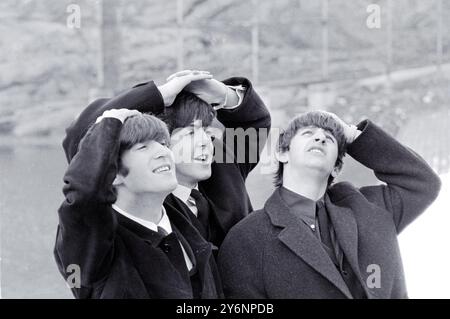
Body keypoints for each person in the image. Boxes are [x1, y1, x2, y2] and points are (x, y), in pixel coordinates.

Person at [218, 110, 441, 299]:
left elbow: (424, 183)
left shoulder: (371, 208)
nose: (320, 138)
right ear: (282, 153)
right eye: (308, 133)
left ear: (336, 168)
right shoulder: (246, 238)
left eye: (330, 138)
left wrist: (353, 135)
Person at [63, 70, 271, 248]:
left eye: (207, 131)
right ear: (158, 143)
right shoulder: (139, 199)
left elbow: (254, 122)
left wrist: (224, 95)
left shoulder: (224, 166)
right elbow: (80, 138)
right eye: (190, 133)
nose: (204, 142)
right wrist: (159, 95)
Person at [55, 109, 222, 298]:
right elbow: (83, 194)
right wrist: (110, 121)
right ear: (113, 174)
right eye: (143, 147)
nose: (163, 152)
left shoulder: (186, 221)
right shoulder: (94, 248)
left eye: (163, 143)